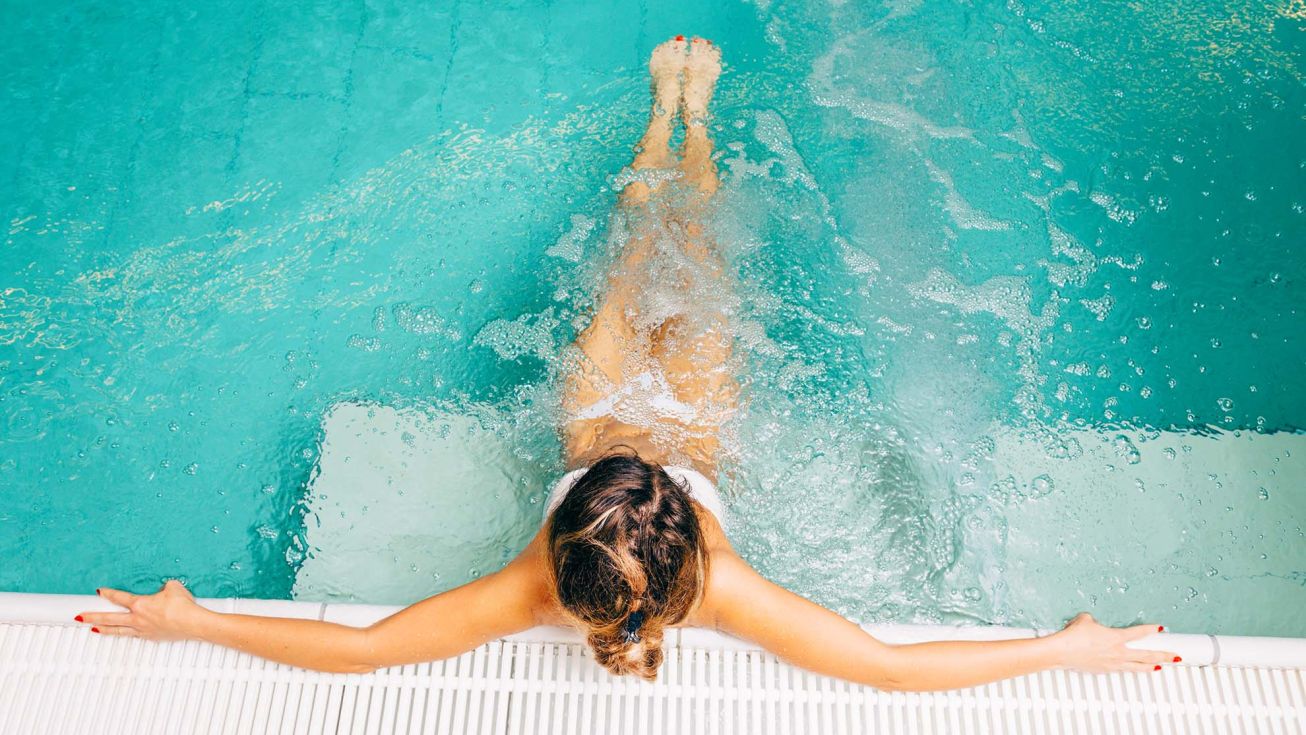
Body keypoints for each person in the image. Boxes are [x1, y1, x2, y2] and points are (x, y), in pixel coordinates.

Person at [78, 37, 1179, 691]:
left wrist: (198, 620)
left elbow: (367, 653)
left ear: (568, 528)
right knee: (688, 260)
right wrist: (1060, 649)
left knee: (626, 266)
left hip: (590, 415)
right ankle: (687, 121)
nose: (633, 457)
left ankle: (666, 121)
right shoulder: (724, 586)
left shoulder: (528, 587)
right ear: (681, 525)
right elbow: (890, 672)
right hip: (701, 422)